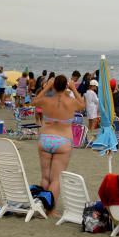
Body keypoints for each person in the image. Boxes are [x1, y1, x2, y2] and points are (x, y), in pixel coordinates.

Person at [32, 74, 85, 210]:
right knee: (56, 179)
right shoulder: (71, 102)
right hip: (63, 141)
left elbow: (34, 101)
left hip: (45, 138)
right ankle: (50, 210)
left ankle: (41, 207)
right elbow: (82, 105)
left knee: (45, 177)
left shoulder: (46, 100)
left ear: (54, 85)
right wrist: (74, 89)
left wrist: (47, 87)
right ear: (66, 86)